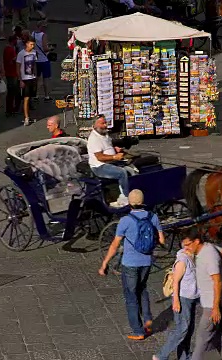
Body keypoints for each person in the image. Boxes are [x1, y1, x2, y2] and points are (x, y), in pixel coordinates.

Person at [98, 189, 165, 340]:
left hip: (129, 264)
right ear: (142, 202)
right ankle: (147, 317)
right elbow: (162, 241)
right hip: (147, 262)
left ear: (129, 203)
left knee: (131, 297)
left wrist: (104, 263)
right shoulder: (153, 217)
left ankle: (138, 331)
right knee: (142, 289)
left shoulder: (125, 221)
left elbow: (115, 245)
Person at [183, 229, 222, 360]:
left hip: (211, 305)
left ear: (196, 241)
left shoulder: (209, 256)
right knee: (220, 331)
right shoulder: (208, 247)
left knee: (202, 338)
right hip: (213, 302)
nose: (185, 248)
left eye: (187, 244)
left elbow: (217, 282)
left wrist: (215, 308)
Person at [153, 239, 200, 360]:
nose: (188, 247)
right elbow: (175, 282)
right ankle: (161, 356)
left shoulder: (193, 256)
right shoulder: (182, 260)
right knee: (182, 329)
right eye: (186, 245)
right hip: (183, 298)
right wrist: (176, 301)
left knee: (188, 329)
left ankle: (184, 356)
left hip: (192, 297)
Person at [87, 115, 131, 207]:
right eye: (102, 123)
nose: (105, 125)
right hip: (99, 166)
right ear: (94, 126)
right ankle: (125, 198)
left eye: (105, 123)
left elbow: (107, 148)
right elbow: (99, 157)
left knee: (132, 168)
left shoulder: (105, 134)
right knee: (122, 172)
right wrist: (115, 157)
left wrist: (115, 149)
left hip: (110, 162)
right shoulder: (93, 139)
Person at [16, 38, 38, 126]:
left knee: (30, 98)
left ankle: (29, 116)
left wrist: (36, 76)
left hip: (32, 77)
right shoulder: (21, 54)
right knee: (26, 98)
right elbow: (17, 67)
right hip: (25, 78)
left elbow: (35, 64)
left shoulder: (34, 52)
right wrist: (20, 80)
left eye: (33, 45)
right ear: (27, 44)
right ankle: (26, 117)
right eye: (31, 44)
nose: (32, 46)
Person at [32, 20, 52, 102]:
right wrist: (50, 48)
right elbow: (45, 48)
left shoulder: (32, 34)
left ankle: (36, 95)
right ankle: (46, 96)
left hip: (36, 59)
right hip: (44, 59)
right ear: (42, 27)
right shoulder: (43, 35)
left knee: (37, 78)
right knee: (45, 79)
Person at [3, 35, 20, 116]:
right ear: (13, 40)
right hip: (12, 73)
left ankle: (10, 108)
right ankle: (10, 109)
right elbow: (11, 61)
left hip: (10, 73)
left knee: (11, 92)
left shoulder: (7, 49)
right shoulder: (10, 50)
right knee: (12, 92)